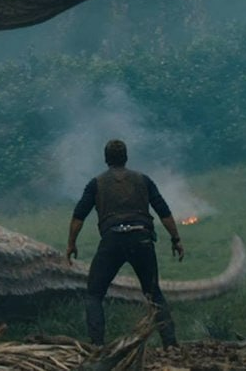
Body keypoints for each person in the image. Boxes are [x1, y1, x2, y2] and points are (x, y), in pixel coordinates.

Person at [65, 139, 184, 348]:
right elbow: (163, 211)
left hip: (112, 240)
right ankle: (170, 343)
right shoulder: (143, 180)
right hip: (142, 238)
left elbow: (78, 216)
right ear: (126, 158)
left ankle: (96, 345)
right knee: (153, 293)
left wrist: (71, 244)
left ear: (106, 159)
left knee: (94, 294)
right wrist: (175, 239)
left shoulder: (96, 184)